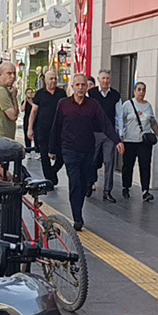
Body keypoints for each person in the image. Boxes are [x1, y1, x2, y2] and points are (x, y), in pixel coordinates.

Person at [50, 72, 124, 231]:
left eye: (83, 85)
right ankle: (77, 217)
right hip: (69, 150)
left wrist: (117, 140)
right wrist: (52, 150)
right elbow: (56, 127)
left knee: (84, 184)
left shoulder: (93, 105)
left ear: (87, 87)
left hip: (87, 150)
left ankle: (79, 209)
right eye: (77, 85)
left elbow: (105, 124)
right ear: (72, 87)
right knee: (75, 182)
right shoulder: (63, 104)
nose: (80, 88)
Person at [117, 80, 158, 201]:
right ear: (134, 91)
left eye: (143, 90)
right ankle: (126, 187)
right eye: (139, 89)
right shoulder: (127, 105)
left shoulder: (148, 106)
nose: (141, 92)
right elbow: (120, 121)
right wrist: (119, 137)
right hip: (129, 140)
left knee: (145, 165)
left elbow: (153, 122)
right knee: (128, 165)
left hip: (144, 141)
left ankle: (145, 191)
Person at [28, 70, 67, 190]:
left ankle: (53, 172)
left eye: (55, 78)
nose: (54, 81)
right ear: (45, 81)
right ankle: (49, 180)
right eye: (51, 79)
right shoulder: (40, 94)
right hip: (43, 130)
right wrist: (30, 128)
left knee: (62, 156)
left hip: (59, 130)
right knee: (44, 156)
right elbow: (33, 111)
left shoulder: (62, 93)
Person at [88, 69, 122, 203]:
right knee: (91, 161)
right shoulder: (91, 94)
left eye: (107, 78)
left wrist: (119, 136)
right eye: (103, 78)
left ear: (110, 80)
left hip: (109, 134)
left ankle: (107, 191)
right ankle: (88, 185)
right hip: (94, 133)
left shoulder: (115, 95)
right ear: (98, 79)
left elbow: (119, 116)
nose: (105, 81)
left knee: (109, 163)